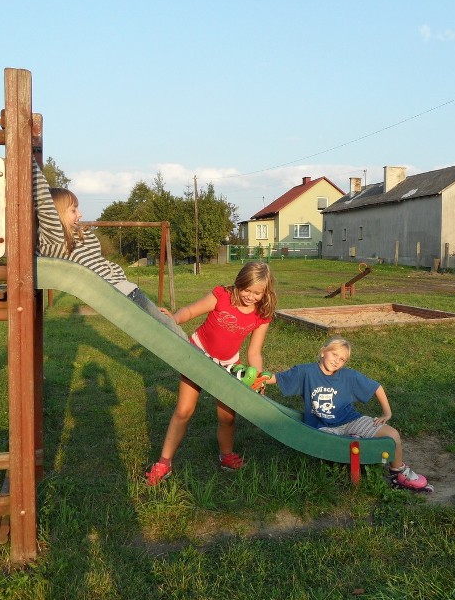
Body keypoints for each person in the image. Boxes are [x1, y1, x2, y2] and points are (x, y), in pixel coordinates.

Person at [146, 261, 277, 484]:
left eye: (257, 293)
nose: (250, 296)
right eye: (246, 289)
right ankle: (164, 463)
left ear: (265, 292)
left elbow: (254, 352)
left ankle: (226, 456)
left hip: (228, 365)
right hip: (198, 355)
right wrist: (173, 319)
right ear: (238, 284)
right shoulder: (222, 296)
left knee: (227, 417)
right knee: (184, 411)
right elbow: (190, 311)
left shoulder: (261, 315)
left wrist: (257, 377)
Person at [31, 159, 186, 339]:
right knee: (168, 330)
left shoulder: (73, 237)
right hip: (119, 295)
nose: (80, 214)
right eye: (73, 210)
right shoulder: (55, 240)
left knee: (167, 326)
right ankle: (201, 359)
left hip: (126, 290)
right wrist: (28, 156)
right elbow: (43, 198)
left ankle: (200, 357)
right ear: (55, 215)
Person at [265, 336, 430, 491]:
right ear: (322, 351)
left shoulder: (348, 376)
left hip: (350, 420)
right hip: (322, 427)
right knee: (335, 446)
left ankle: (397, 473)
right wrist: (257, 379)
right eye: (334, 354)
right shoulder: (306, 372)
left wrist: (387, 413)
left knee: (393, 435)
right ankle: (352, 440)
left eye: (342, 359)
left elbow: (376, 387)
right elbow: (277, 378)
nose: (337, 360)